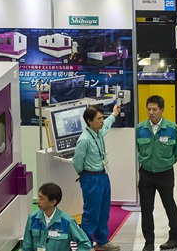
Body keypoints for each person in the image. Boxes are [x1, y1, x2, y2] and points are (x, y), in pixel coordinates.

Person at [135, 96, 177, 251]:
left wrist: (165, 163)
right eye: (149, 109)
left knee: (169, 205)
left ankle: (176, 237)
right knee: (146, 208)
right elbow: (137, 149)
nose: (151, 112)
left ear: (162, 110)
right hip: (146, 174)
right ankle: (149, 242)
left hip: (165, 174)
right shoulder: (140, 128)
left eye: (154, 109)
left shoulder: (172, 128)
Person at [72, 103, 122, 251]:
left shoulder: (99, 132)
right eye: (99, 118)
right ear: (89, 121)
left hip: (103, 176)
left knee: (103, 211)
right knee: (91, 214)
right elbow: (77, 162)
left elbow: (107, 124)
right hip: (91, 179)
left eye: (102, 118)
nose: (102, 121)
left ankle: (102, 241)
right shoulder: (84, 140)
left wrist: (114, 114)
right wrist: (84, 174)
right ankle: (86, 244)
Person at [22, 183, 92, 251]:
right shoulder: (32, 218)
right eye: (38, 197)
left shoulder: (67, 222)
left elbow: (85, 244)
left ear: (52, 202)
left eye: (42, 198)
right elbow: (27, 246)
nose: (38, 201)